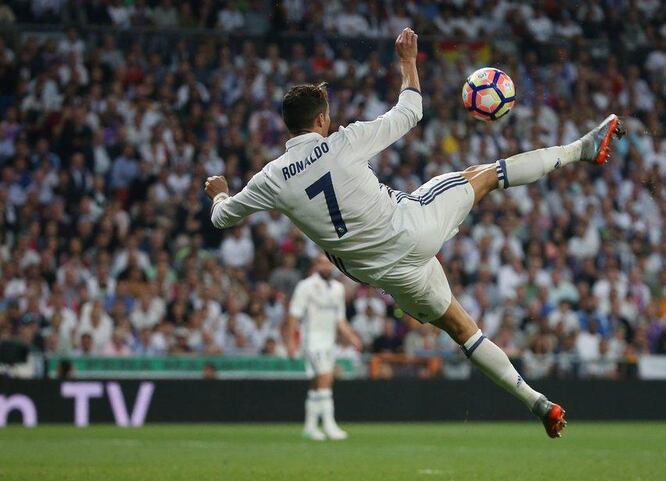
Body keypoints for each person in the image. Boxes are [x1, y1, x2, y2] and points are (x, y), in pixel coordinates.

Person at [205, 27, 624, 438]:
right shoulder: (344, 141)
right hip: (412, 227)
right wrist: (408, 63)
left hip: (387, 275)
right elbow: (410, 111)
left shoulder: (271, 179)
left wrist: (221, 194)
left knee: (464, 332)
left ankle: (538, 403)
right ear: (321, 119)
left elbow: (222, 218)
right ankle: (581, 149)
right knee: (483, 176)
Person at [284, 254, 361, 441]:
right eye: (322, 263)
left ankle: (310, 427)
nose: (326, 267)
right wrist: (290, 342)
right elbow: (294, 315)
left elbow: (340, 319)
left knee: (316, 383)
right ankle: (329, 424)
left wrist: (351, 336)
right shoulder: (306, 286)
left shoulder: (338, 289)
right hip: (312, 340)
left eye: (329, 263)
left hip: (329, 341)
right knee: (326, 378)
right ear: (316, 266)